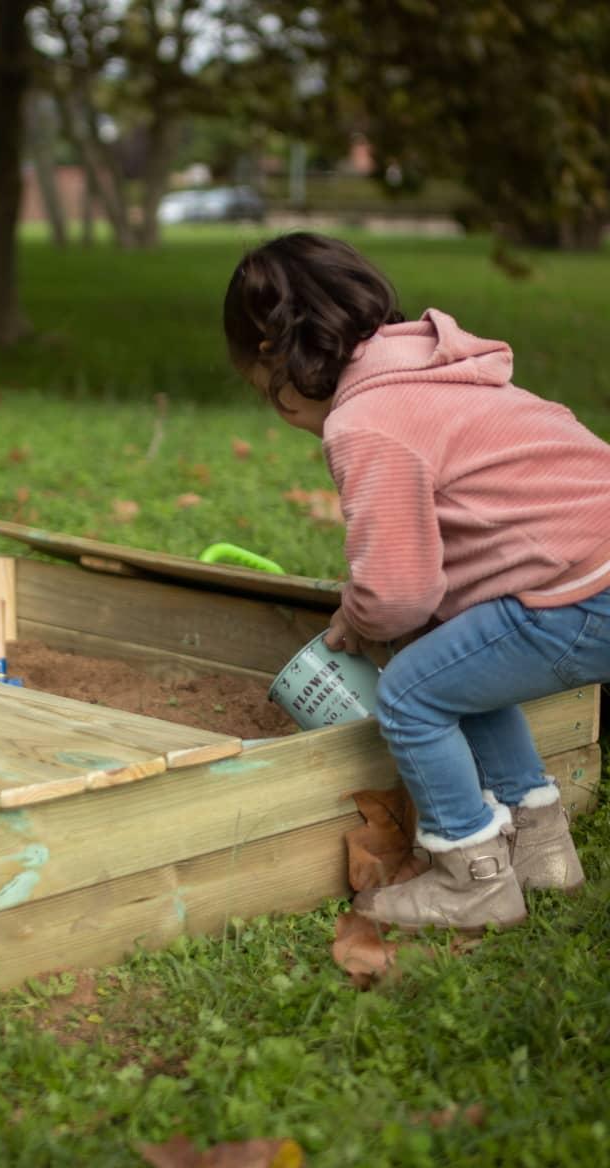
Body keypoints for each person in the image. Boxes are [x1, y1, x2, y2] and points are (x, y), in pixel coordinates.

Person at [223, 231, 610, 933]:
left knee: (411, 694)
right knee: (458, 667)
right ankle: (542, 849)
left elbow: (399, 592)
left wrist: (361, 617)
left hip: (582, 596)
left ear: (273, 365)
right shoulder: (434, 372)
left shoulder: (366, 421)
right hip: (588, 573)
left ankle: (474, 880)